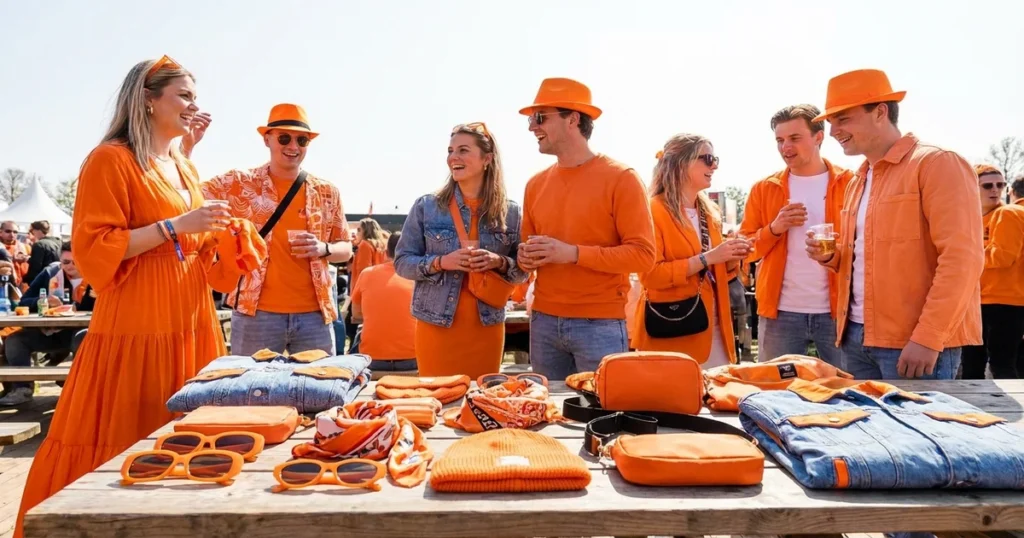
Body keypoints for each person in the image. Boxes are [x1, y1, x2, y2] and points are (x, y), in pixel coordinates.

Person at [16, 55, 229, 538]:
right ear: (149, 101)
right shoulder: (109, 159)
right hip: (139, 315)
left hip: (190, 314)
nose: (195, 105)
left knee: (183, 430)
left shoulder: (179, 162)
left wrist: (220, 234)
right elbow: (94, 247)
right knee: (128, 428)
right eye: (185, 95)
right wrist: (177, 226)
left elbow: (187, 227)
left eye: (195, 96)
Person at [805, 68, 982, 381]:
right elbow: (870, 257)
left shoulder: (937, 163)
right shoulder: (858, 180)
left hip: (913, 345)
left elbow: (962, 259)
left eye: (843, 118)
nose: (833, 131)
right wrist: (833, 258)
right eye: (831, 122)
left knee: (921, 431)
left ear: (880, 112)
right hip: (853, 339)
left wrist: (928, 336)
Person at [517, 78, 655, 379]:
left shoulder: (621, 178)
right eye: (532, 119)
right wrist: (525, 258)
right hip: (543, 322)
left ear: (573, 119)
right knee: (547, 420)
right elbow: (526, 252)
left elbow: (643, 256)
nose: (532, 127)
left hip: (600, 324)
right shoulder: (534, 184)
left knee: (603, 419)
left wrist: (573, 254)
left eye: (540, 118)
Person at [198, 104, 353, 356]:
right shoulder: (239, 182)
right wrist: (186, 146)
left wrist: (323, 248)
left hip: (314, 316)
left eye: (301, 140)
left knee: (317, 390)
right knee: (249, 390)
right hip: (255, 313)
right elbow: (187, 194)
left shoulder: (327, 191)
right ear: (267, 139)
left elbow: (345, 248)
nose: (293, 146)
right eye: (284, 138)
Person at [394, 122, 527, 379]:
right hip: (436, 325)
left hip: (487, 326)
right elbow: (401, 262)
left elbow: (522, 271)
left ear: (487, 158)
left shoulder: (511, 212)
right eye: (450, 150)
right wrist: (442, 262)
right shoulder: (427, 206)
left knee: (482, 401)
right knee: (437, 399)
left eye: (463, 150)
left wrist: (498, 262)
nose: (453, 157)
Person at [740, 104, 853, 366]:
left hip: (839, 312)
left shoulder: (851, 183)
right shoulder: (764, 188)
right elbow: (746, 249)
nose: (785, 147)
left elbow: (865, 244)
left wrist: (835, 252)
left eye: (794, 138)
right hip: (780, 313)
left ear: (818, 137)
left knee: (845, 391)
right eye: (779, 140)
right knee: (773, 391)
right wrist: (774, 229)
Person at [631, 134, 749, 367]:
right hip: (672, 330)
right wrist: (708, 258)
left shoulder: (711, 211)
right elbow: (650, 275)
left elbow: (718, 272)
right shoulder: (653, 210)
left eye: (715, 159)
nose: (714, 165)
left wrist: (733, 255)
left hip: (717, 330)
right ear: (681, 163)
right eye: (706, 159)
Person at [0, 242, 94, 406]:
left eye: (76, 261)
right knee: (15, 340)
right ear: (59, 260)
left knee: (83, 337)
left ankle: (80, 389)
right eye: (66, 262)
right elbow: (24, 301)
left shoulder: (96, 276)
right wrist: (42, 301)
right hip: (50, 330)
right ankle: (22, 388)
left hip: (81, 330)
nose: (70, 266)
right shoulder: (50, 273)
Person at [962, 166, 1024, 379]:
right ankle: (973, 411)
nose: (995, 190)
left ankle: (1011, 411)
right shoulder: (973, 218)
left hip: (1005, 303)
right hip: (978, 301)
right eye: (987, 185)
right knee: (971, 365)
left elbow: (1003, 257)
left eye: (1000, 185)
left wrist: (963, 257)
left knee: (1001, 367)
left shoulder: (1008, 212)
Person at [351, 232, 417, 372]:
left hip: (372, 358)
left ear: (386, 253)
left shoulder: (367, 274)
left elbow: (356, 314)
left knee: (355, 341)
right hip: (414, 358)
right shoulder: (420, 276)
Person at [25, 220, 62, 284]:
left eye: (31, 231)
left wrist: (28, 280)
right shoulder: (59, 242)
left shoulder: (39, 244)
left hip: (43, 280)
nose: (31, 233)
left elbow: (35, 267)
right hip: (58, 278)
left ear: (38, 230)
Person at [1, 221, 31, 285]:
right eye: (8, 231)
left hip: (24, 286)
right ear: (0, 232)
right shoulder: (1, 248)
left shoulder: (26, 247)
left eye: (15, 232)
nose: (12, 234)